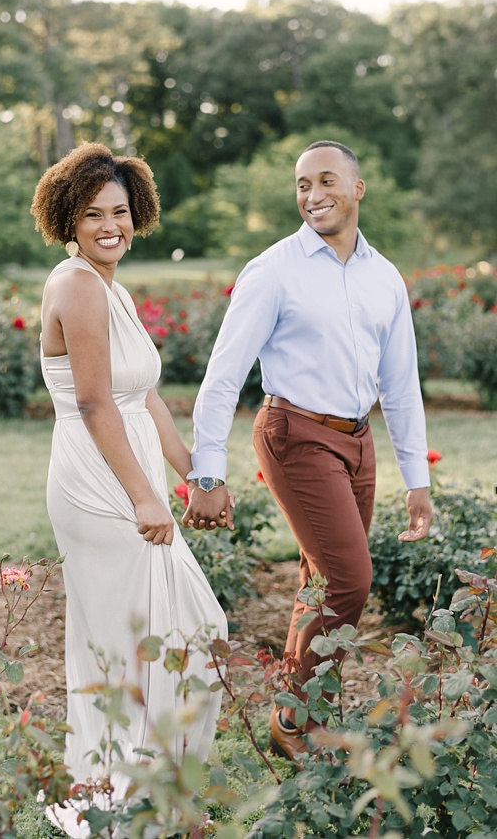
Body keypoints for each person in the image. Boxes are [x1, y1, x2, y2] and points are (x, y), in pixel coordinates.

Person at [183, 139, 432, 764]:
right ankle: (290, 714)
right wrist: (205, 471)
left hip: (356, 438)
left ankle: (314, 710)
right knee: (350, 579)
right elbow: (222, 375)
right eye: (301, 185)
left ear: (357, 189)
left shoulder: (384, 277)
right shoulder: (273, 270)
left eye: (325, 181)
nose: (312, 195)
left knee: (324, 580)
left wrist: (416, 479)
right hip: (293, 434)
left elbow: (401, 385)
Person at [31, 142, 227, 837]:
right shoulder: (77, 285)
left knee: (164, 634)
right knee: (159, 635)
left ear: (136, 211)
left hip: (128, 470)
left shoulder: (112, 288)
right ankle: (133, 801)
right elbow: (93, 403)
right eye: (93, 214)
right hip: (99, 482)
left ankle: (156, 793)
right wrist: (148, 496)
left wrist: (196, 476)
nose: (109, 225)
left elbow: (143, 397)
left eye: (119, 211)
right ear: (69, 221)